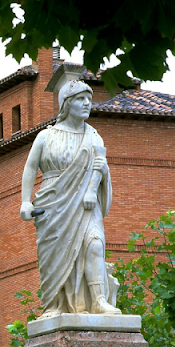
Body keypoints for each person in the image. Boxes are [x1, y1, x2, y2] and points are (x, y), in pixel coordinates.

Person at [19, 79, 120, 318]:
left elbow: (100, 167)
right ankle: (54, 305)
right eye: (80, 99)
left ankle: (98, 300)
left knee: (94, 245)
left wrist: (103, 171)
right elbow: (30, 167)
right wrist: (25, 201)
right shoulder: (46, 136)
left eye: (89, 99)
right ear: (66, 103)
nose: (87, 104)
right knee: (57, 255)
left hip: (87, 202)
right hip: (54, 204)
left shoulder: (94, 136)